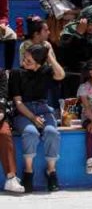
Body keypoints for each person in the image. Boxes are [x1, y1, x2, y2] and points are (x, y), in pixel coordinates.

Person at [10, 43, 65, 193]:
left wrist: (50, 57)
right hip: (24, 110)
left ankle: (51, 171)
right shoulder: (17, 73)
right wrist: (33, 118)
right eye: (24, 58)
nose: (23, 62)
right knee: (31, 133)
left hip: (43, 108)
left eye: (29, 61)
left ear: (39, 64)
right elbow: (18, 102)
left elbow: (61, 75)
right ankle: (28, 171)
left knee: (52, 132)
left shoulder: (45, 71)